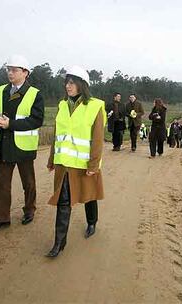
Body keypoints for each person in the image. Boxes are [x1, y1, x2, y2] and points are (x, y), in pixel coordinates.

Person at [46, 66, 106, 258]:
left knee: (89, 196)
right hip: (64, 163)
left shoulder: (95, 106)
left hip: (85, 163)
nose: (68, 86)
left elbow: (97, 139)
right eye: (67, 82)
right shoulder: (63, 105)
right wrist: (51, 159)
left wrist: (94, 165)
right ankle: (59, 243)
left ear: (82, 85)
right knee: (64, 201)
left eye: (72, 82)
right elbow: (57, 134)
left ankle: (92, 222)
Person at [0, 55, 44, 230]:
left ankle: (29, 210)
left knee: (28, 183)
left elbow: (36, 120)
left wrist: (11, 124)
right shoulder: (0, 90)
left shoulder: (34, 94)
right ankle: (2, 218)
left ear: (25, 72)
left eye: (15, 70)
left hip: (23, 146)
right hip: (3, 144)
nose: (10, 73)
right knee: (2, 184)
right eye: (8, 69)